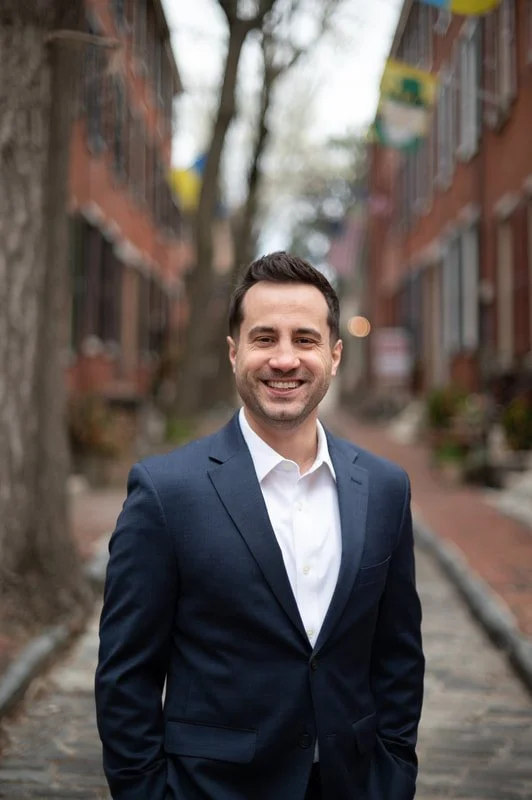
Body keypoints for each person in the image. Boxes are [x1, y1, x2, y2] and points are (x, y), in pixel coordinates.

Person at [95, 251, 425, 800]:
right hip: (213, 788)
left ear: (336, 355)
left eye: (305, 339)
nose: (285, 359)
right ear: (234, 352)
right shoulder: (165, 493)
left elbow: (398, 656)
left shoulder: (386, 489)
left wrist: (394, 773)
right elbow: (125, 677)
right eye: (265, 338)